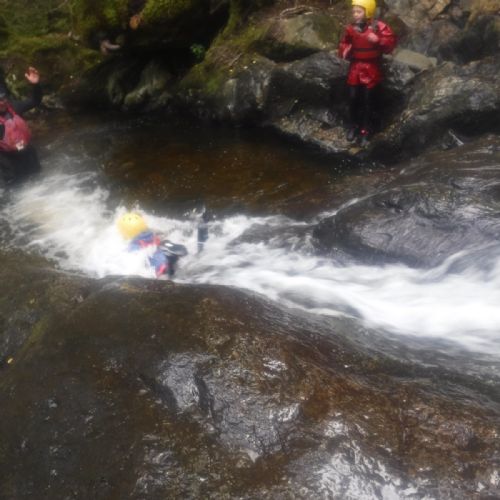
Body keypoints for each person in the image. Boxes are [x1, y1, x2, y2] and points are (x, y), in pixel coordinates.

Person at [338, 0, 396, 146]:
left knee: (369, 101)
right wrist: (345, 50)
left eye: (359, 11)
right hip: (356, 67)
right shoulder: (350, 28)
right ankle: (353, 126)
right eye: (354, 11)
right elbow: (344, 43)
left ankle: (366, 129)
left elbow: (390, 45)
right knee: (353, 98)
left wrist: (378, 40)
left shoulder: (379, 27)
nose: (355, 14)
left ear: (368, 12)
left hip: (371, 68)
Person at [0, 66, 42, 184]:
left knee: (40, 182)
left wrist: (35, 85)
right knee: (17, 188)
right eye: (0, 100)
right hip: (9, 163)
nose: (3, 102)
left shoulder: (14, 107)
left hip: (28, 154)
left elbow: (35, 101)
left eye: (4, 98)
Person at [117, 212, 188, 278]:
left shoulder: (133, 247)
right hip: (165, 261)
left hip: (159, 271)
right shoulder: (151, 234)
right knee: (163, 244)